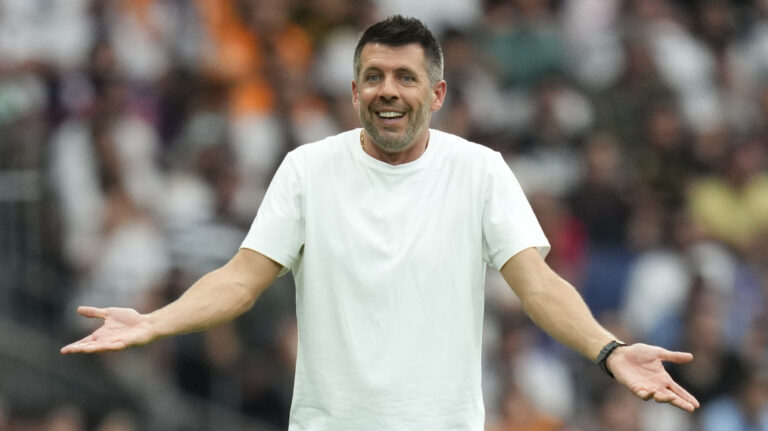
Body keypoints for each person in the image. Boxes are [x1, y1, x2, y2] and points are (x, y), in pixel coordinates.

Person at [61, 15, 700, 430]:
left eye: (404, 77)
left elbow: (537, 285)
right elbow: (240, 279)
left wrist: (608, 349)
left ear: (437, 94)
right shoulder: (306, 168)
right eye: (373, 77)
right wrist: (153, 322)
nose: (387, 89)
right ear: (354, 91)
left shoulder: (480, 170)